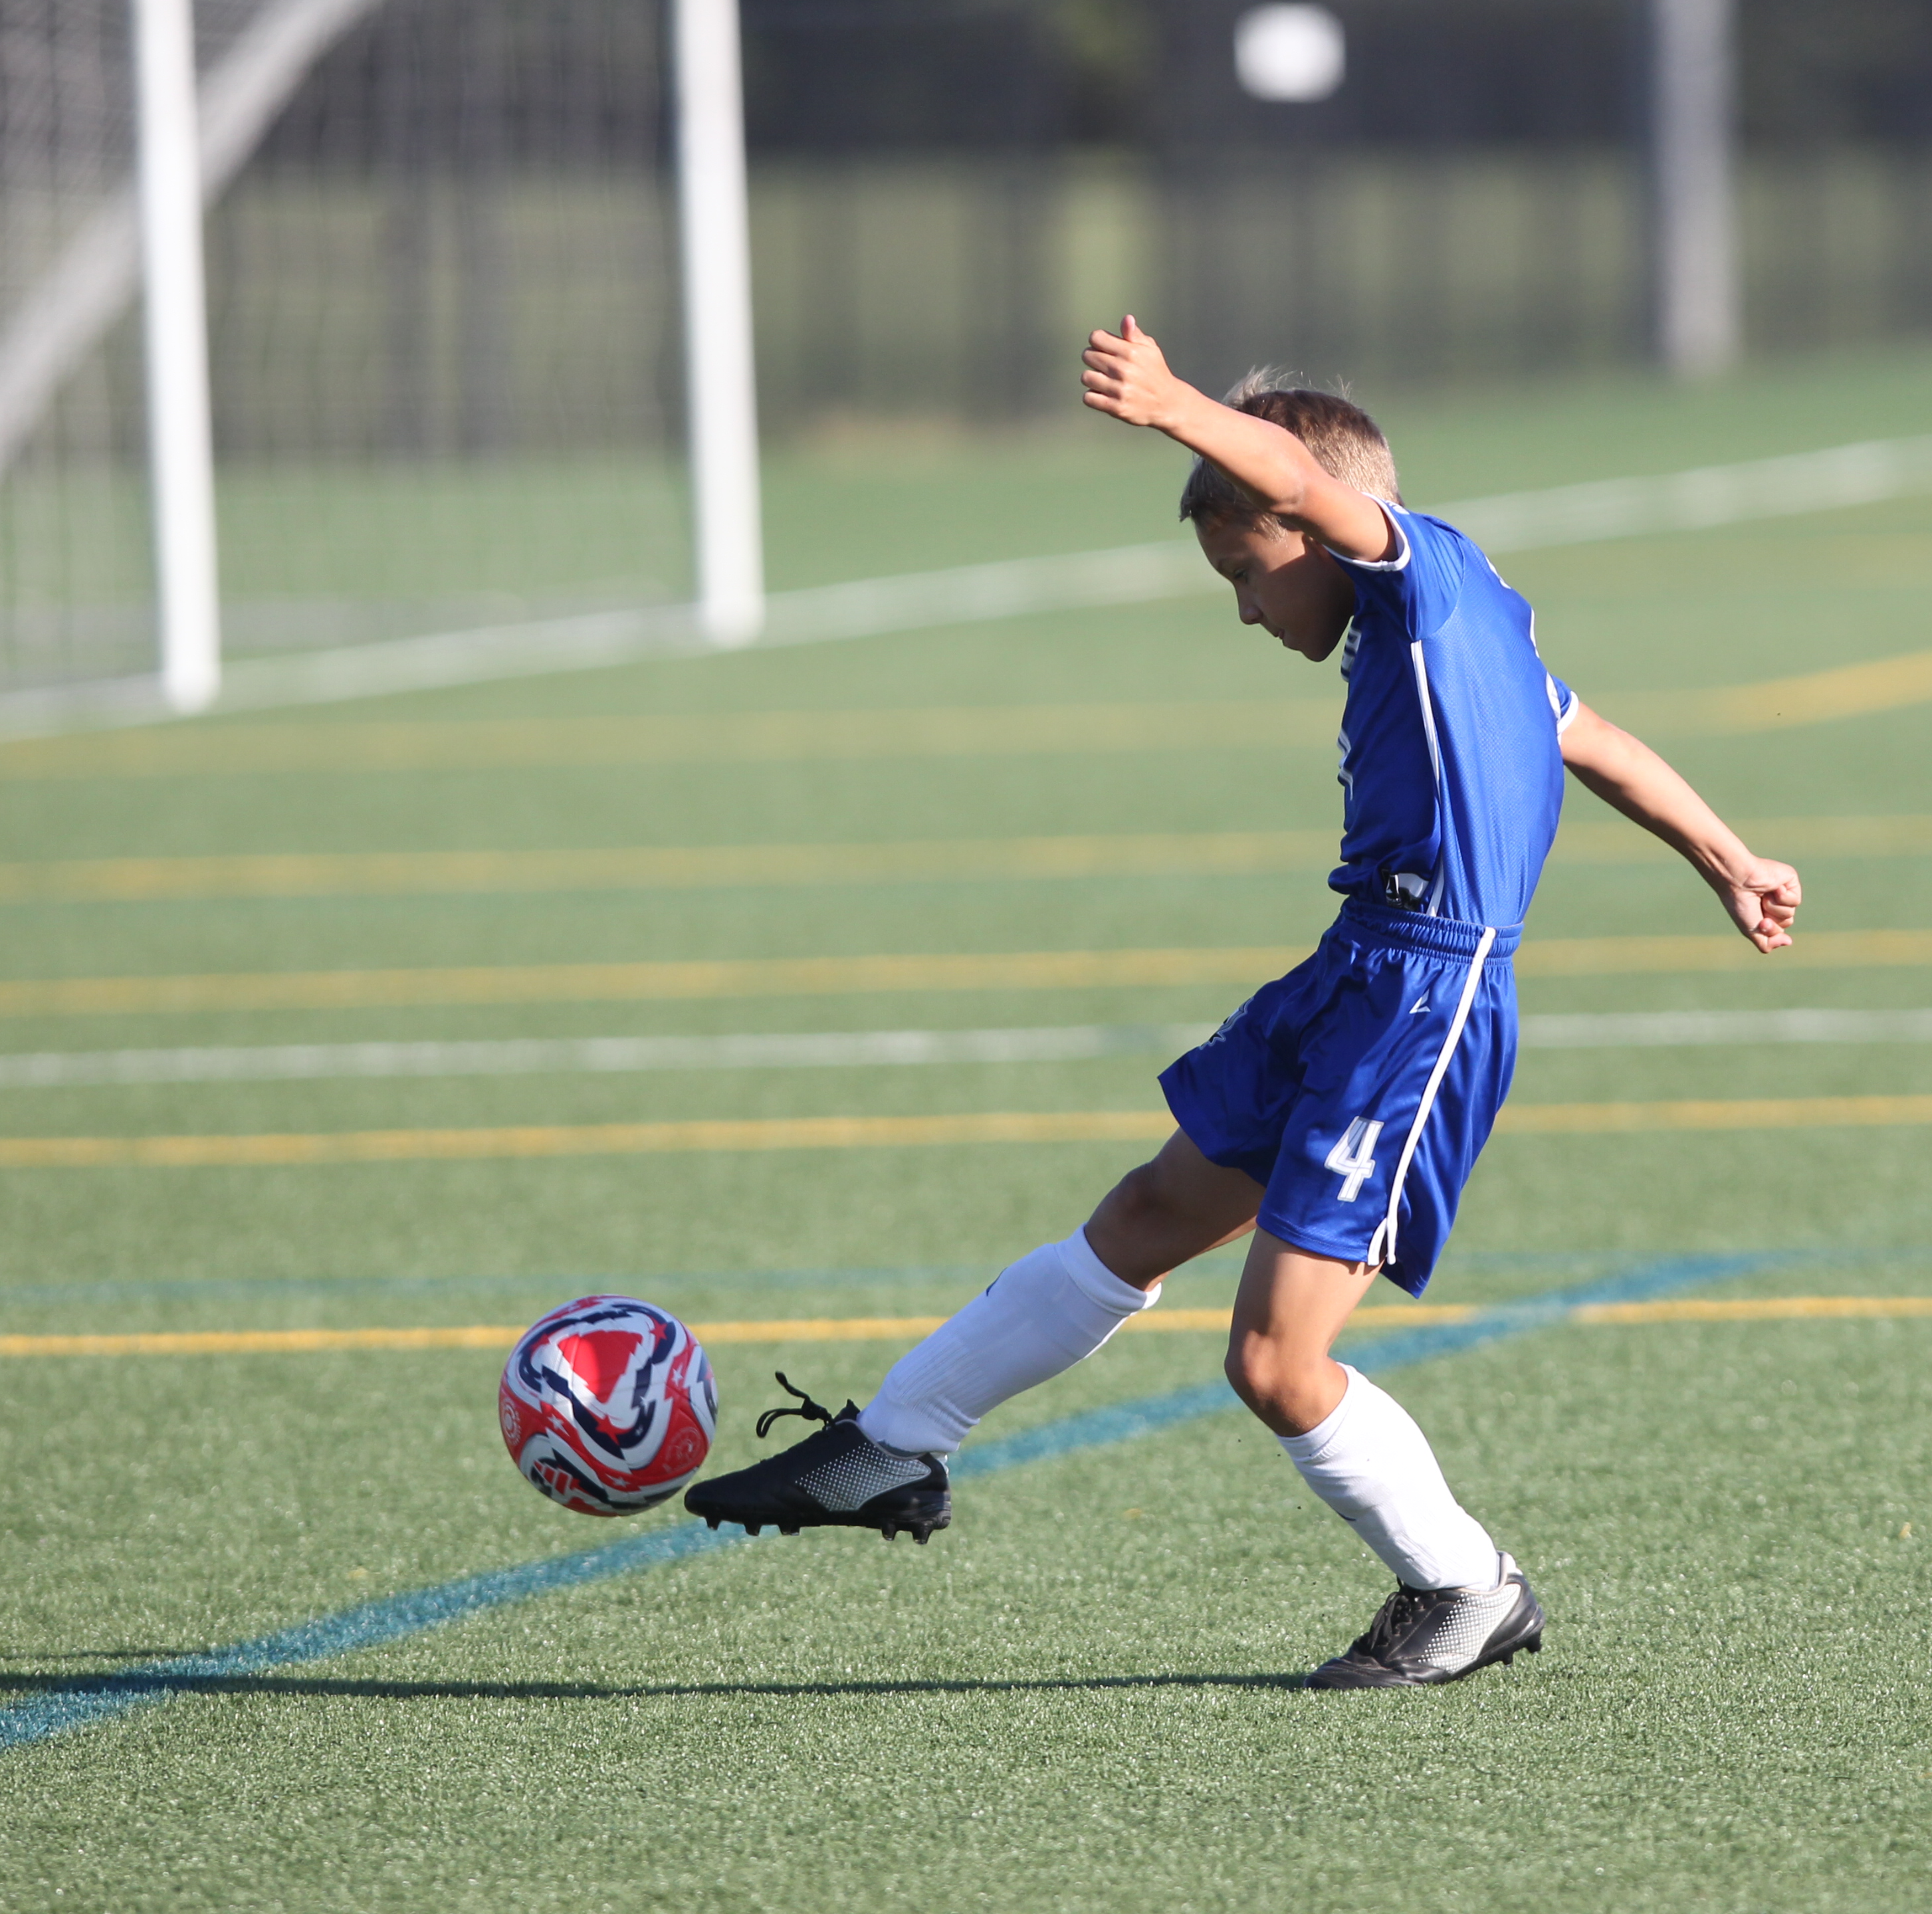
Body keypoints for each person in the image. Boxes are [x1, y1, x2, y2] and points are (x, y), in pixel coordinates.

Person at [685, 317, 1802, 1690]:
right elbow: (1596, 742)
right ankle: (894, 1445)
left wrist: (1174, 406)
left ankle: (1467, 1587)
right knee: (1146, 1216)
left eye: (1247, 572)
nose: (1244, 609)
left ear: (1319, 531)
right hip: (1354, 968)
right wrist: (1730, 859)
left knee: (1275, 1363)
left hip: (1423, 1002)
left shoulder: (1425, 578)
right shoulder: (1436, 638)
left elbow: (1306, 480)